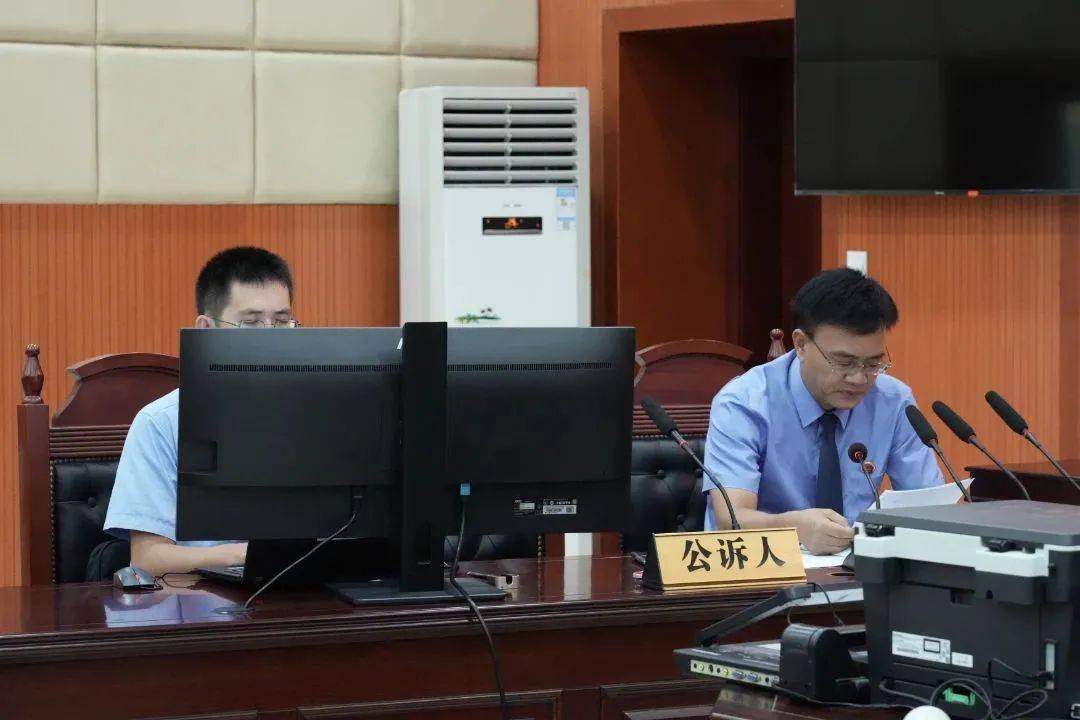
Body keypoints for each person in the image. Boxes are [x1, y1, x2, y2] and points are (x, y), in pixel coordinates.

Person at [702, 268, 942, 554]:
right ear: (801, 344)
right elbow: (731, 519)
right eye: (844, 362)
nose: (859, 378)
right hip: (765, 569)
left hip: (857, 569)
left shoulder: (893, 400)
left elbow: (929, 508)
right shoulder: (744, 402)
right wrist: (794, 529)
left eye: (873, 363)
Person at [104, 246, 300, 576]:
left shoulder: (315, 417)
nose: (271, 339)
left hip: (310, 593)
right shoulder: (161, 422)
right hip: (203, 597)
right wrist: (250, 555)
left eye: (282, 322)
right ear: (206, 329)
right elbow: (148, 558)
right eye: (251, 323)